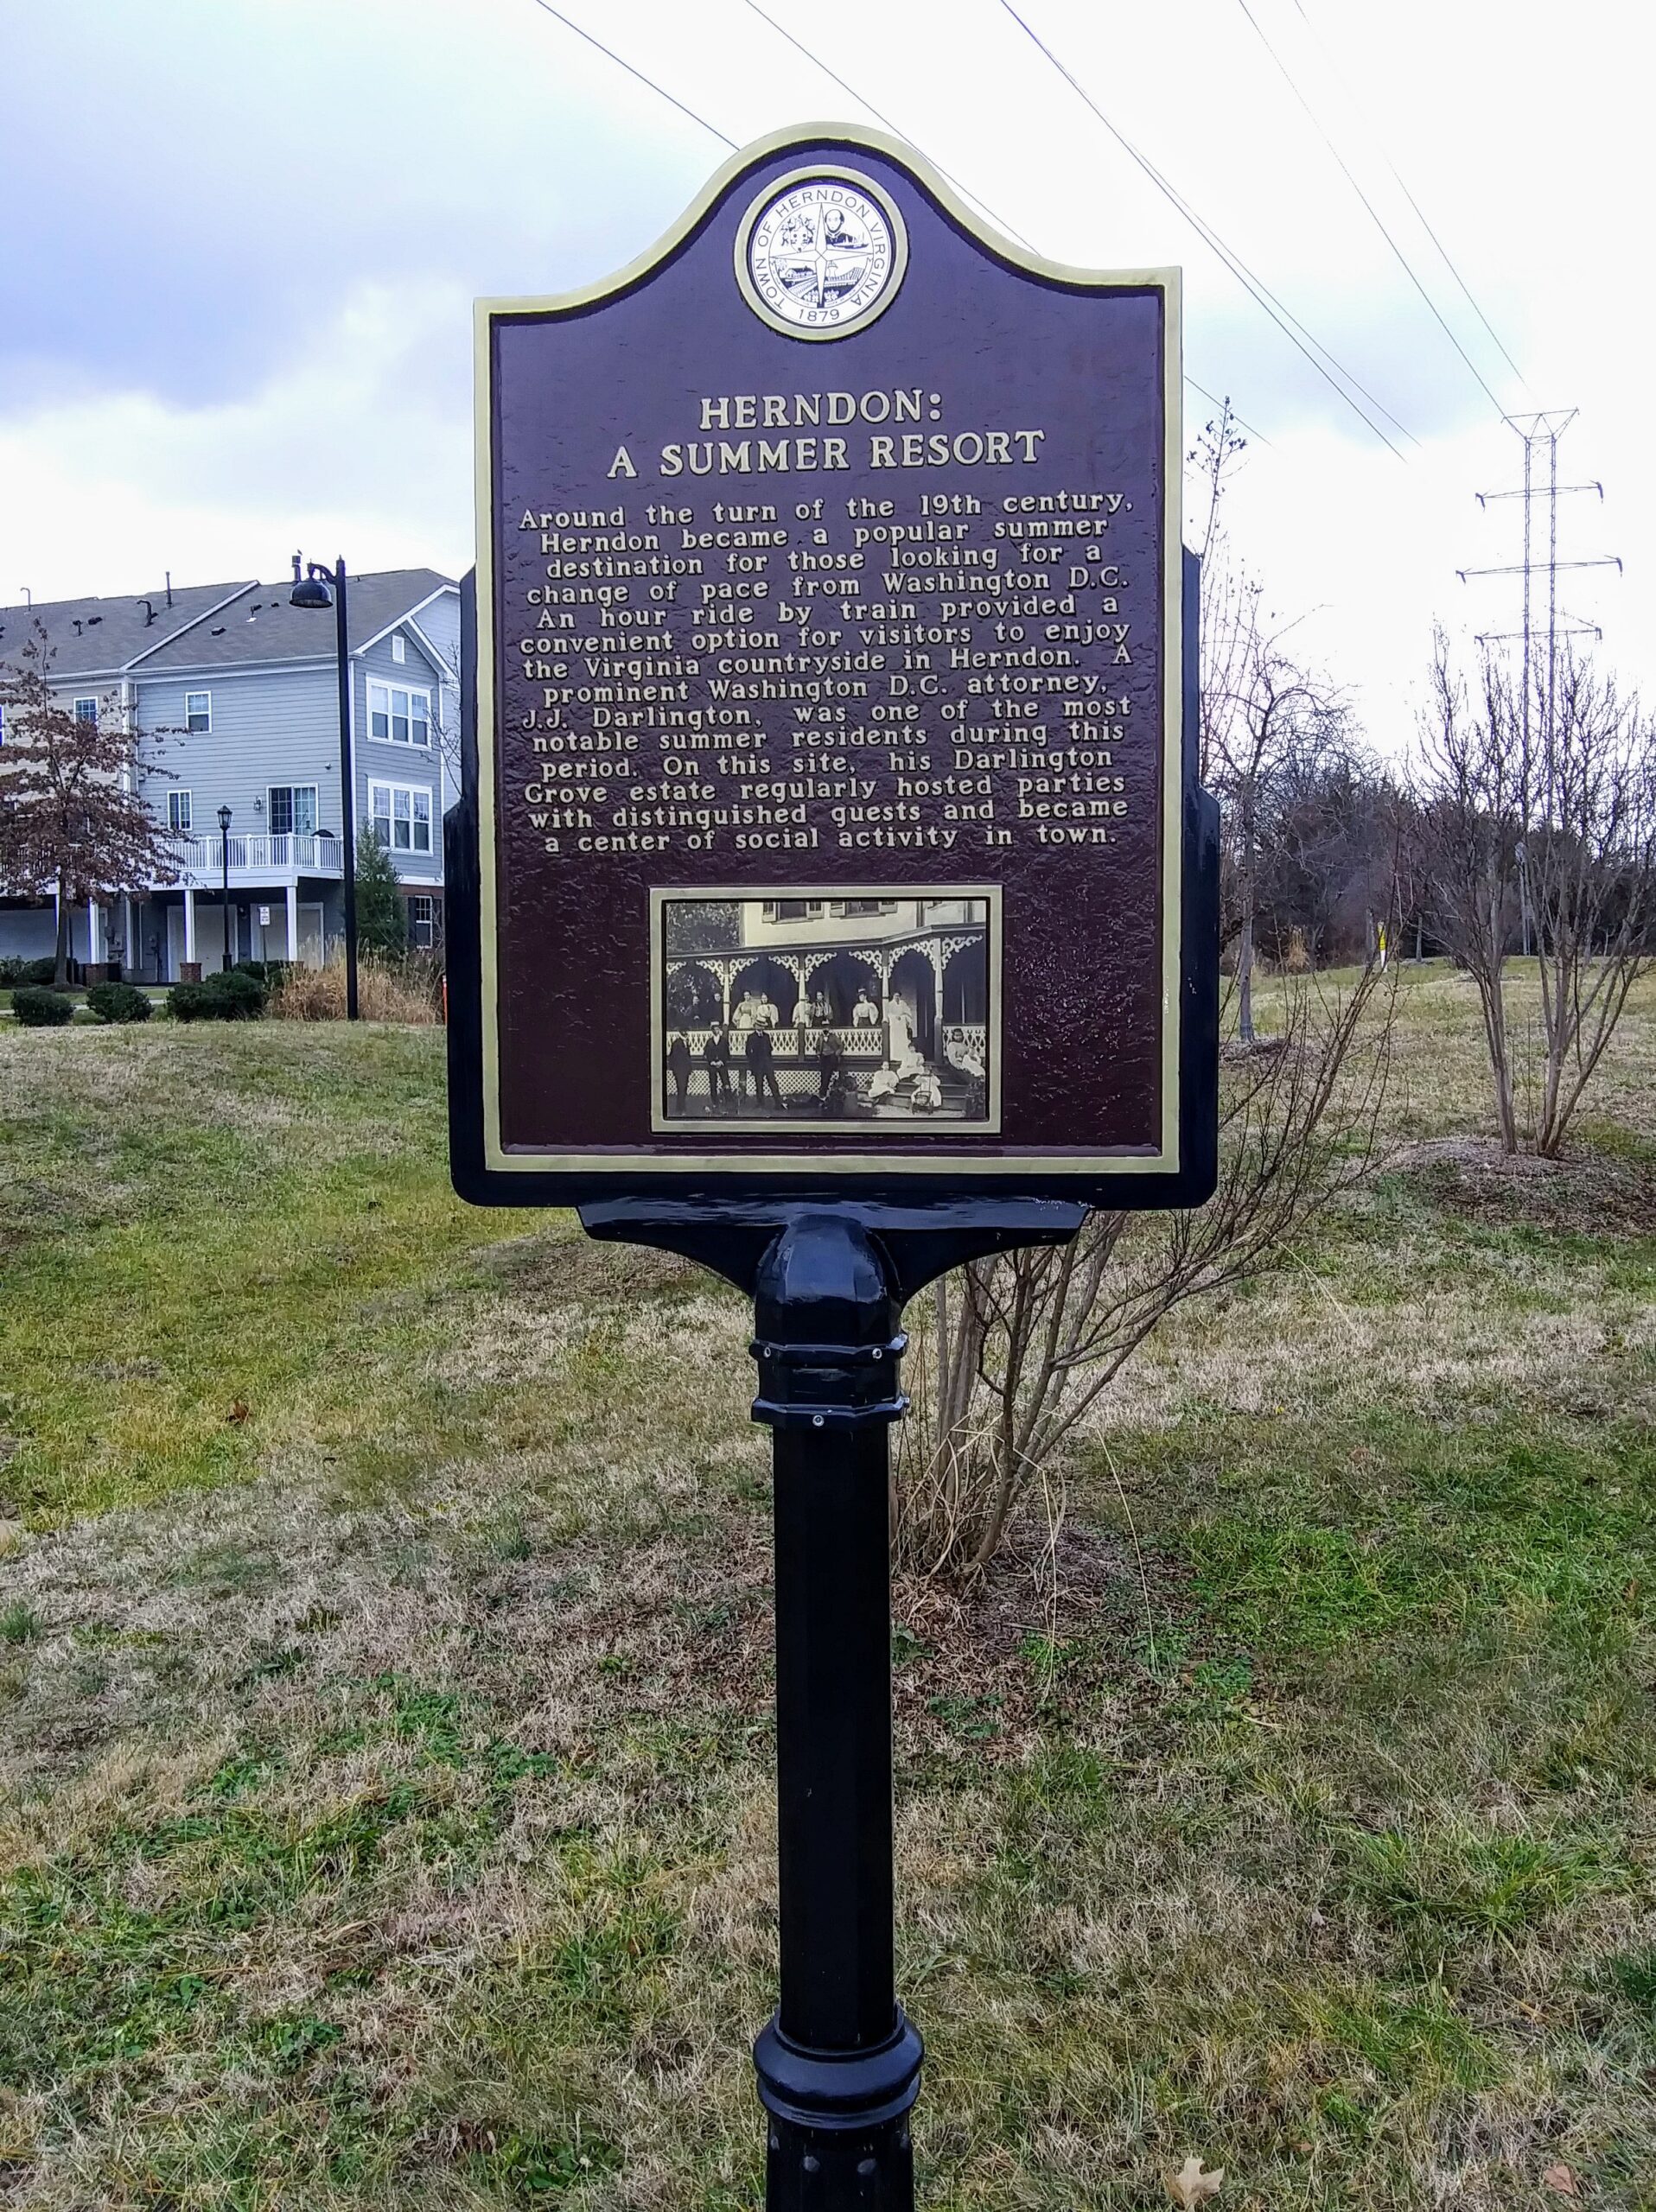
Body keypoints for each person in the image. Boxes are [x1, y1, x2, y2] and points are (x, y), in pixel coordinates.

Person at [746, 1022, 782, 1107]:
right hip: (757, 1065)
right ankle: (760, 1103)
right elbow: (748, 1051)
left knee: (772, 1083)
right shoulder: (751, 1037)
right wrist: (753, 1062)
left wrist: (768, 1060)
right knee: (759, 1084)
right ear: (755, 1026)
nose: (761, 1027)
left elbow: (770, 1048)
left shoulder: (766, 1036)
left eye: (762, 1026)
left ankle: (778, 1102)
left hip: (767, 1064)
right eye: (759, 1025)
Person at [702, 1023, 731, 1109]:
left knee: (726, 1083)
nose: (716, 1031)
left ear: (720, 1030)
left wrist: (722, 1061)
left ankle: (728, 1101)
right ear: (712, 1031)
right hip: (712, 1066)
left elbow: (727, 1054)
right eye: (714, 1029)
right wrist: (711, 1062)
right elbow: (706, 1054)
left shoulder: (724, 1041)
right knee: (713, 1084)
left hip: (722, 1065)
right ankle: (715, 1102)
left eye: (717, 1029)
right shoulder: (709, 1042)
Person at [666, 1033, 692, 1112]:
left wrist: (690, 1069)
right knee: (681, 1089)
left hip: (685, 1070)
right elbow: (672, 1057)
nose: (687, 1034)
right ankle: (681, 1108)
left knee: (684, 1089)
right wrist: (674, 1069)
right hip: (679, 1070)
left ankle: (680, 1108)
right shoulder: (677, 1043)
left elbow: (688, 1057)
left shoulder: (686, 1043)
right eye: (686, 1032)